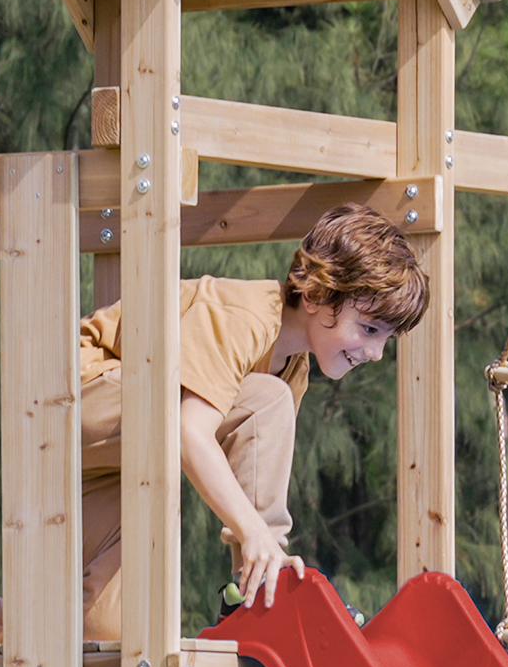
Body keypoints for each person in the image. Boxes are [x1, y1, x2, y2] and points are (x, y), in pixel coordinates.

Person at [75, 203, 429, 643]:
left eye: (386, 339)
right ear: (318, 294)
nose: (375, 354)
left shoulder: (292, 368)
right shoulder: (246, 318)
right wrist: (254, 534)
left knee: (105, 630)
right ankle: (261, 588)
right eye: (370, 329)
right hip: (75, 402)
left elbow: (248, 470)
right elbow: (189, 432)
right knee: (267, 401)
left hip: (113, 461)